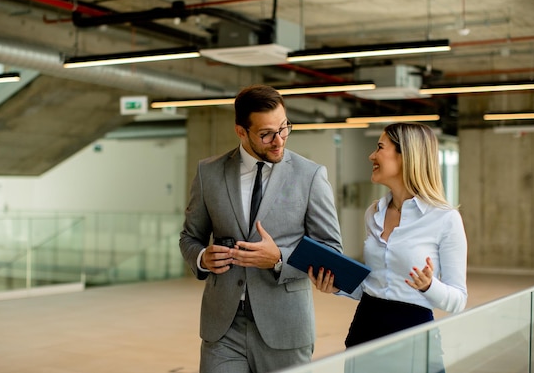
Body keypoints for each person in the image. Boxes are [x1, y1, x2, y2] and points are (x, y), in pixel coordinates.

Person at [180, 84, 343, 373]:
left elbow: (331, 251)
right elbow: (190, 237)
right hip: (223, 327)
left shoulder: (310, 176)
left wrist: (279, 258)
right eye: (266, 134)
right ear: (241, 132)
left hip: (285, 326)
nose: (279, 141)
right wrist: (202, 257)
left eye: (284, 128)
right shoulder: (209, 173)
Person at [309, 122, 467, 363]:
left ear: (406, 156)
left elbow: (458, 300)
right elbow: (373, 287)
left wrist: (428, 286)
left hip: (412, 335)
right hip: (365, 330)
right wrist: (337, 286)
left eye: (380, 147)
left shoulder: (445, 219)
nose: (372, 155)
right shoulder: (374, 212)